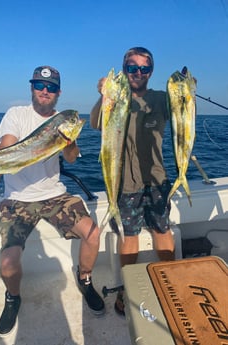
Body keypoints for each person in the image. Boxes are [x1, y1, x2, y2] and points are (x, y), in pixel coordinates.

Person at [0, 65, 105, 337]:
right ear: (32, 87)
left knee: (93, 233)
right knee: (8, 264)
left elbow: (70, 158)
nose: (45, 91)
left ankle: (85, 279)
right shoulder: (16, 114)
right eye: (40, 85)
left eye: (51, 88)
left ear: (58, 92)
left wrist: (68, 140)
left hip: (55, 195)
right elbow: (6, 146)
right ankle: (13, 297)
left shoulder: (61, 121)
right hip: (17, 201)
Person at [90, 47, 175, 317]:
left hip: (157, 179)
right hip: (125, 183)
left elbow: (185, 113)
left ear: (151, 72)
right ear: (124, 69)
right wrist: (102, 96)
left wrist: (187, 94)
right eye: (132, 67)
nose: (138, 73)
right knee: (130, 236)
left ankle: (168, 281)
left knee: (163, 231)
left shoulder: (163, 99)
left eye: (143, 68)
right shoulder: (115, 99)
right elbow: (95, 124)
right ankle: (127, 289)